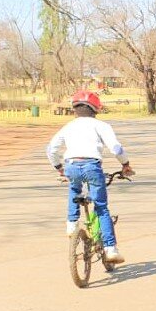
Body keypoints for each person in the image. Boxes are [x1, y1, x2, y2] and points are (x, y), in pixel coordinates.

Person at [46, 89, 134, 264]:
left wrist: (59, 168)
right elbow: (116, 148)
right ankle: (110, 249)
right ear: (95, 110)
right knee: (101, 207)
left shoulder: (68, 127)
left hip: (71, 165)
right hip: (92, 166)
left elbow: (51, 149)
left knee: (74, 188)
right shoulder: (101, 126)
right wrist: (125, 165)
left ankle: (72, 224)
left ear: (75, 109)